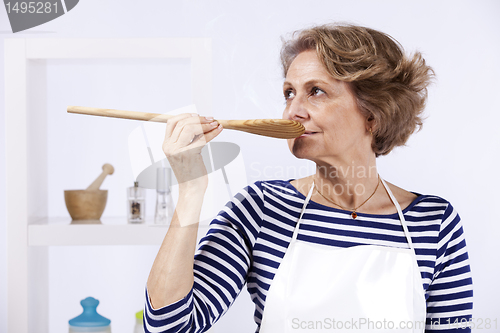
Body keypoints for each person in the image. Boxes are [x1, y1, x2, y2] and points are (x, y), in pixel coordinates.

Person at [144, 23, 473, 333]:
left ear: (373, 114)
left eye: (315, 91)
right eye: (289, 93)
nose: (292, 112)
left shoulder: (434, 222)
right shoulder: (259, 209)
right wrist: (190, 189)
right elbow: (170, 326)